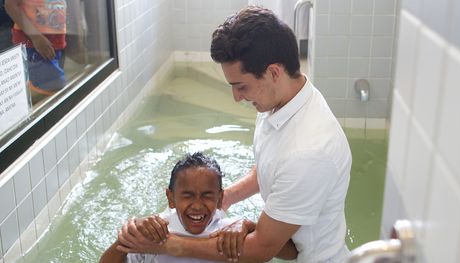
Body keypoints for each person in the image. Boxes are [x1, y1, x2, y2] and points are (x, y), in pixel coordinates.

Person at [118, 6, 352, 263]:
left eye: (241, 86)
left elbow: (259, 250)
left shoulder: (309, 150)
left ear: (274, 72)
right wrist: (222, 199)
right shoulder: (280, 102)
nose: (236, 97)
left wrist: (166, 245)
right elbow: (267, 169)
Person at [100, 152, 244, 263]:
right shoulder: (156, 232)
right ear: (171, 198)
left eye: (207, 196)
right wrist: (128, 237)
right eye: (188, 196)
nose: (197, 205)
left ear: (219, 199)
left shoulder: (229, 230)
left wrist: (245, 226)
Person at [4, 0, 66, 101]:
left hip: (56, 42)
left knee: (53, 92)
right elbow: (10, 5)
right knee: (51, 92)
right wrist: (36, 37)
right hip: (35, 44)